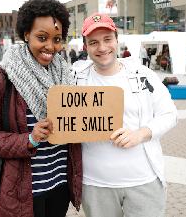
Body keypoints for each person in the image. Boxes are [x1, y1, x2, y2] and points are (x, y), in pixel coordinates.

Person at [0, 0, 82, 217]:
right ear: (25, 35)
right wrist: (29, 139)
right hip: (23, 192)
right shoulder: (0, 82)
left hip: (59, 186)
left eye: (57, 39)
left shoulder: (67, 78)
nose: (51, 47)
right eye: (42, 38)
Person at [73, 13, 177, 217]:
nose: (102, 48)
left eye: (107, 39)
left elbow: (169, 114)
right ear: (85, 47)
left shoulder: (142, 75)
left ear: (117, 40)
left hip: (143, 181)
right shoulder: (75, 78)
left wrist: (141, 134)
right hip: (95, 185)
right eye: (93, 42)